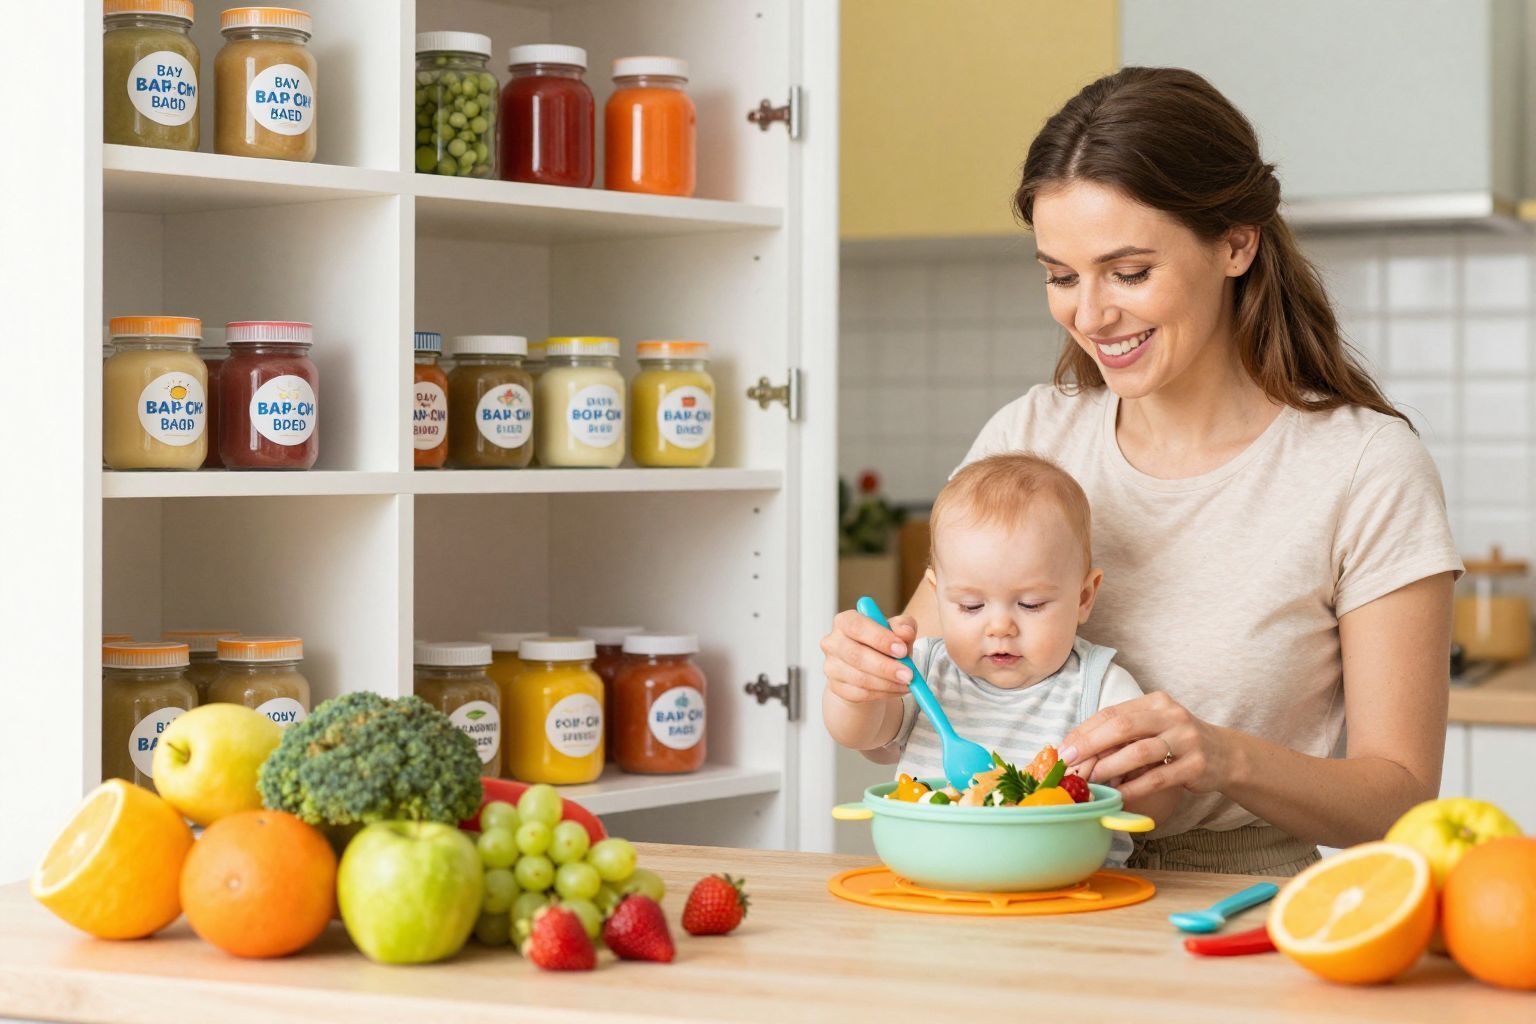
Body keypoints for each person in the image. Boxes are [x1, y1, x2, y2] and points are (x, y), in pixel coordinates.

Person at [822, 67, 1462, 876]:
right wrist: (865, 673)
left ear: (1236, 242)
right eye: (1060, 275)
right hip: (1013, 895)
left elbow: (1401, 800)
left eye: (1128, 273)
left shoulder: (1364, 467)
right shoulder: (1029, 436)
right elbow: (912, 709)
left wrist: (1225, 758)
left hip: (1234, 906)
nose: (1089, 315)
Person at [824, 453, 1180, 865]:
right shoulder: (924, 670)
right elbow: (859, 732)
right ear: (938, 596)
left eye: (1030, 604)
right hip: (934, 877)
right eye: (971, 606)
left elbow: (1155, 804)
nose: (999, 628)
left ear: (1084, 597)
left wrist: (1139, 781)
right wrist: (857, 690)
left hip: (1066, 889)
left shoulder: (1100, 686)